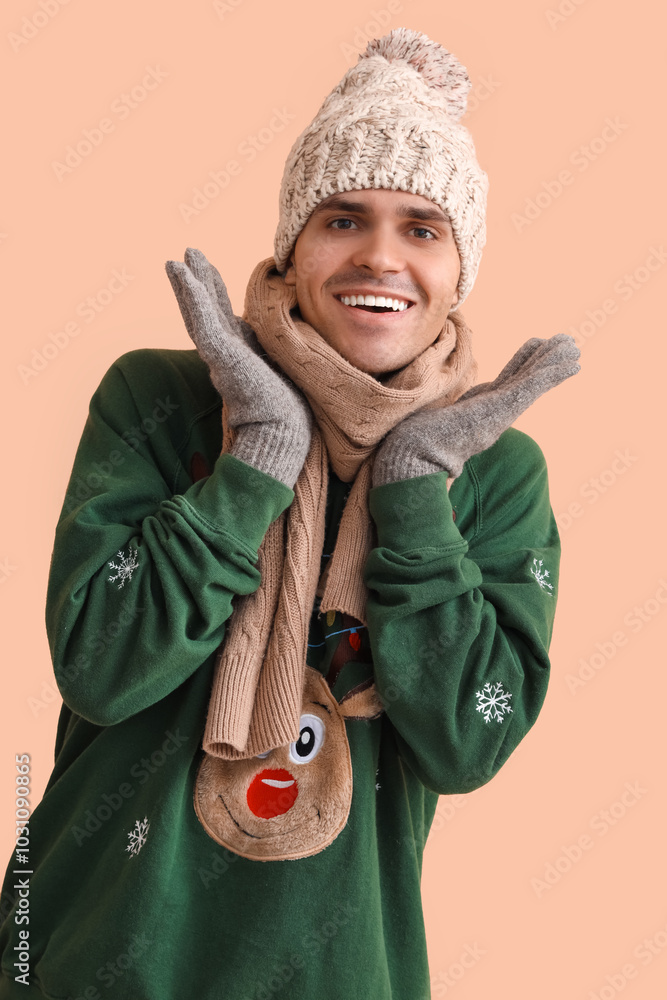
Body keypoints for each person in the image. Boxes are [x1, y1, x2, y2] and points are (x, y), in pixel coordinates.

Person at [0, 27, 579, 999]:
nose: (380, 257)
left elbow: (469, 739)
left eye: (422, 227)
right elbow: (102, 664)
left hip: (336, 973)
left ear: (458, 263)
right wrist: (257, 458)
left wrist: (414, 493)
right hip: (85, 959)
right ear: (294, 240)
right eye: (342, 218)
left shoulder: (492, 466)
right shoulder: (160, 399)